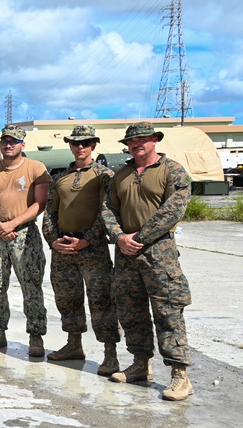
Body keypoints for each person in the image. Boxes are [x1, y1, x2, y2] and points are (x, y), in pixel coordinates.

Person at [102, 122, 193, 401]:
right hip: (126, 253)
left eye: (143, 138)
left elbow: (173, 210)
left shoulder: (172, 170)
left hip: (159, 252)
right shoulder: (122, 174)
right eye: (132, 140)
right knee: (131, 310)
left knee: (167, 311)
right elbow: (108, 208)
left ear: (155, 140)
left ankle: (180, 375)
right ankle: (140, 364)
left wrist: (139, 237)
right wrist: (119, 237)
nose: (137, 143)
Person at [42, 124, 120, 375]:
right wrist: (53, 240)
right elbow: (49, 213)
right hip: (63, 249)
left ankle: (110, 354)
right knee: (67, 299)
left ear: (94, 145)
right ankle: (73, 345)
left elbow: (107, 212)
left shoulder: (105, 176)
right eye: (75, 143)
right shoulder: (60, 178)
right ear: (70, 145)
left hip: (92, 249)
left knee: (101, 301)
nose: (80, 147)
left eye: (85, 143)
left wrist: (87, 239)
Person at [0, 124, 51, 356]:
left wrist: (13, 224)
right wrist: (0, 226)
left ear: (22, 145)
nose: (9, 145)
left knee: (31, 286)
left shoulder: (36, 168)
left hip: (25, 235)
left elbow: (40, 203)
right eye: (5, 141)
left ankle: (36, 335)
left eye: (14, 141)